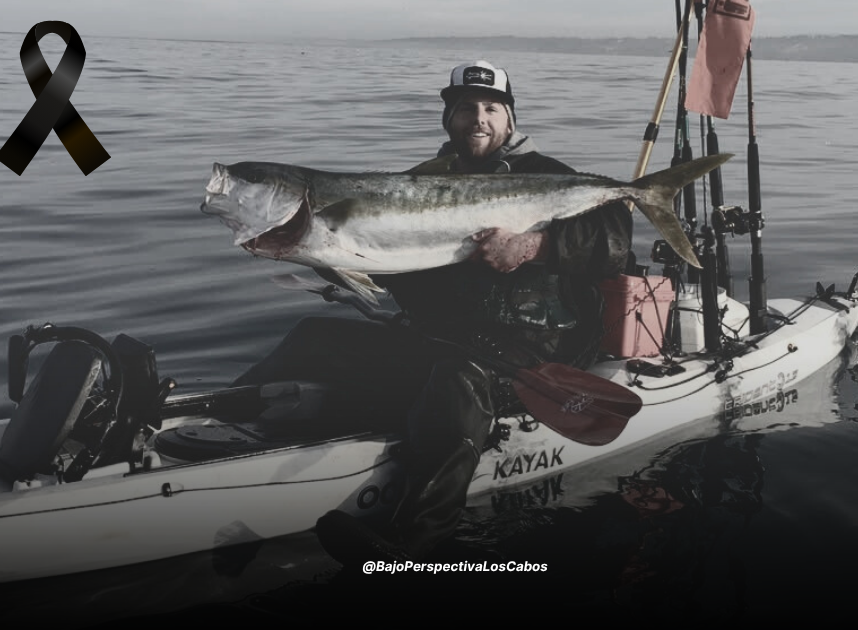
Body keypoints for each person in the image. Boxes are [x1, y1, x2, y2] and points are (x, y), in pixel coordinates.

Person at [234, 60, 633, 564]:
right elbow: (379, 265)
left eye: (492, 108)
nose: (479, 119)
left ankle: (415, 540)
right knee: (312, 335)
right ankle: (210, 422)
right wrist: (309, 250)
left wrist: (535, 246)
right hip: (434, 334)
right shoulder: (417, 185)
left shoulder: (551, 177)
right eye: (466, 108)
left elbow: (613, 240)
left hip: (523, 348)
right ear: (449, 119)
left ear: (510, 120)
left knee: (457, 378)